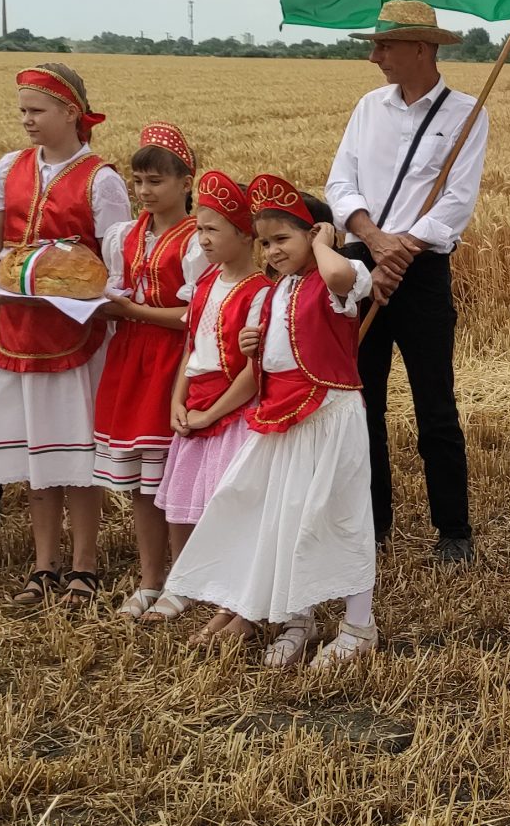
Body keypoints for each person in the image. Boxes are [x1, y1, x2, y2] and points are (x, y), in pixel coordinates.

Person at [164, 180, 377, 667]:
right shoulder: (277, 291)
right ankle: (295, 617)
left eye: (283, 238)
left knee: (339, 515)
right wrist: (253, 348)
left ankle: (359, 625)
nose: (272, 250)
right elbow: (269, 362)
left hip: (330, 415)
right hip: (284, 418)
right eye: (265, 241)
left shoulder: (339, 280)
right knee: (285, 517)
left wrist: (325, 241)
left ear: (315, 234)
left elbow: (339, 274)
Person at [0, 64, 130, 605]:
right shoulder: (11, 166)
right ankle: (43, 564)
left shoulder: (101, 179)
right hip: (13, 324)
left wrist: (76, 298)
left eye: (37, 110)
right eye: (22, 111)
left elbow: (114, 261)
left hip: (73, 331)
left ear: (71, 112)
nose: (26, 120)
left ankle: (84, 564)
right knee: (36, 449)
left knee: (75, 449)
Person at [327, 0, 486, 563]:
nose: (374, 57)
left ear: (421, 48)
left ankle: (453, 530)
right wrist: (375, 241)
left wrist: (403, 249)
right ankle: (371, 525)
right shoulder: (367, 108)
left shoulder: (468, 114)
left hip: (421, 275)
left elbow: (456, 201)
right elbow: (339, 184)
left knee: (435, 404)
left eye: (383, 46)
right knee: (362, 402)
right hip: (359, 264)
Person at [143, 170, 272, 623]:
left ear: (245, 234)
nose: (202, 239)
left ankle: (228, 587)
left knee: (226, 502)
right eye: (199, 228)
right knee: (181, 500)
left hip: (232, 411)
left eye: (213, 229)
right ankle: (182, 582)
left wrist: (211, 413)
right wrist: (178, 402)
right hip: (196, 404)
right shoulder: (202, 284)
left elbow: (253, 372)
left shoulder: (260, 293)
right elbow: (192, 348)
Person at [94, 124, 205, 618]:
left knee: (172, 478)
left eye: (156, 181)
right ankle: (149, 580)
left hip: (173, 362)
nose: (144, 191)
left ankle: (184, 579)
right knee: (143, 480)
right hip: (131, 360)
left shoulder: (196, 240)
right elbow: (116, 290)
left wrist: (132, 312)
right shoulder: (125, 235)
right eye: (138, 181)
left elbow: (196, 315)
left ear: (186, 182)